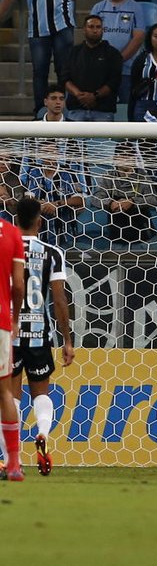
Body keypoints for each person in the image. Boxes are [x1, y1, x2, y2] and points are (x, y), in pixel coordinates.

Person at [6, 198, 73, 477]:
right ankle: (43, 433)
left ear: (14, 220)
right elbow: (59, 300)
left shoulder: (5, 247)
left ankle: (13, 458)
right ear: (39, 221)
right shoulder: (52, 252)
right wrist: (67, 340)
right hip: (39, 333)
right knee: (41, 392)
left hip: (9, 331)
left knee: (9, 396)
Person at [0, 0, 76, 116]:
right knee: (40, 73)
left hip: (62, 23)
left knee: (64, 72)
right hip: (38, 27)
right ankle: (41, 113)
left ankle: (64, 112)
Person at [22, 140, 85, 247]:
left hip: (65, 233)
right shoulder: (33, 173)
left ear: (58, 154)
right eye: (46, 152)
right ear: (40, 155)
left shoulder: (68, 174)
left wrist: (56, 204)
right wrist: (43, 205)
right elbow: (28, 200)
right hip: (40, 233)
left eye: (52, 152)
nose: (50, 156)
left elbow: (80, 201)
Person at [95, 141, 157, 246]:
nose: (125, 158)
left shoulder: (143, 177)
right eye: (122, 154)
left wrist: (132, 202)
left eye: (129, 154)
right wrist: (110, 203)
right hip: (115, 234)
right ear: (115, 158)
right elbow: (96, 198)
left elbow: (154, 199)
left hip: (142, 234)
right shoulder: (108, 177)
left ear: (134, 158)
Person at [0, 212, 25, 481]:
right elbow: (18, 285)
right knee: (4, 391)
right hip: (1, 321)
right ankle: (14, 464)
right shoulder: (11, 232)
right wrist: (15, 317)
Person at [62, 15, 123, 122]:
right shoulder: (73, 52)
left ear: (103, 30)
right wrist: (79, 95)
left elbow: (114, 81)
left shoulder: (113, 54)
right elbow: (64, 78)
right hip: (76, 110)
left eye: (98, 27)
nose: (95, 30)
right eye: (91, 27)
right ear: (84, 29)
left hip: (103, 111)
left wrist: (94, 96)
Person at [90, 0, 146, 103]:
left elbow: (138, 38)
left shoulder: (135, 8)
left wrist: (118, 60)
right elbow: (91, 36)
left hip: (126, 70)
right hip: (102, 70)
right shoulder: (98, 8)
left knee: (126, 106)